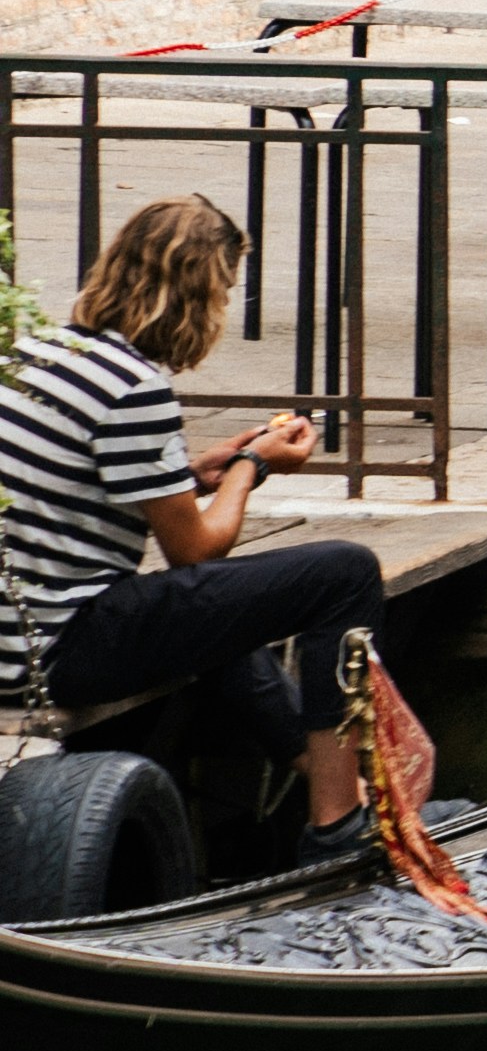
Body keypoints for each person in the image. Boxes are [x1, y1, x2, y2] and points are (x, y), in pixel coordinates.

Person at [0, 195, 398, 864]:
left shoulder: (38, 352)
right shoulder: (134, 388)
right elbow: (194, 549)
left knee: (219, 610)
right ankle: (338, 822)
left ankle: (307, 758)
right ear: (197, 297)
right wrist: (250, 467)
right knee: (345, 574)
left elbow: (84, 476)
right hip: (52, 651)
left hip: (21, 634)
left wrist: (192, 471)